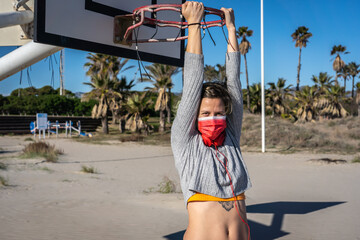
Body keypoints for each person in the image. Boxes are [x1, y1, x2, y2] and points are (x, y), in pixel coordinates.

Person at [171, 2, 252, 240]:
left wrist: (231, 30)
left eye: (219, 113)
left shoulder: (231, 139)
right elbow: (194, 81)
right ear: (193, 116)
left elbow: (234, 85)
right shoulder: (185, 143)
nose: (214, 119)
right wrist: (194, 24)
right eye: (205, 114)